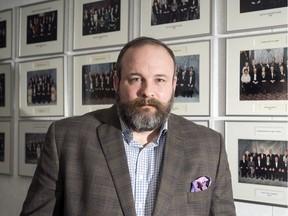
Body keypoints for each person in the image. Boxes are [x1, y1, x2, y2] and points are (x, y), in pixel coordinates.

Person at [20, 37, 236, 216]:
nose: (147, 91)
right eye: (135, 79)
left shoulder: (209, 144)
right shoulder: (66, 137)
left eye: (159, 80)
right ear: (116, 83)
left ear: (173, 85)